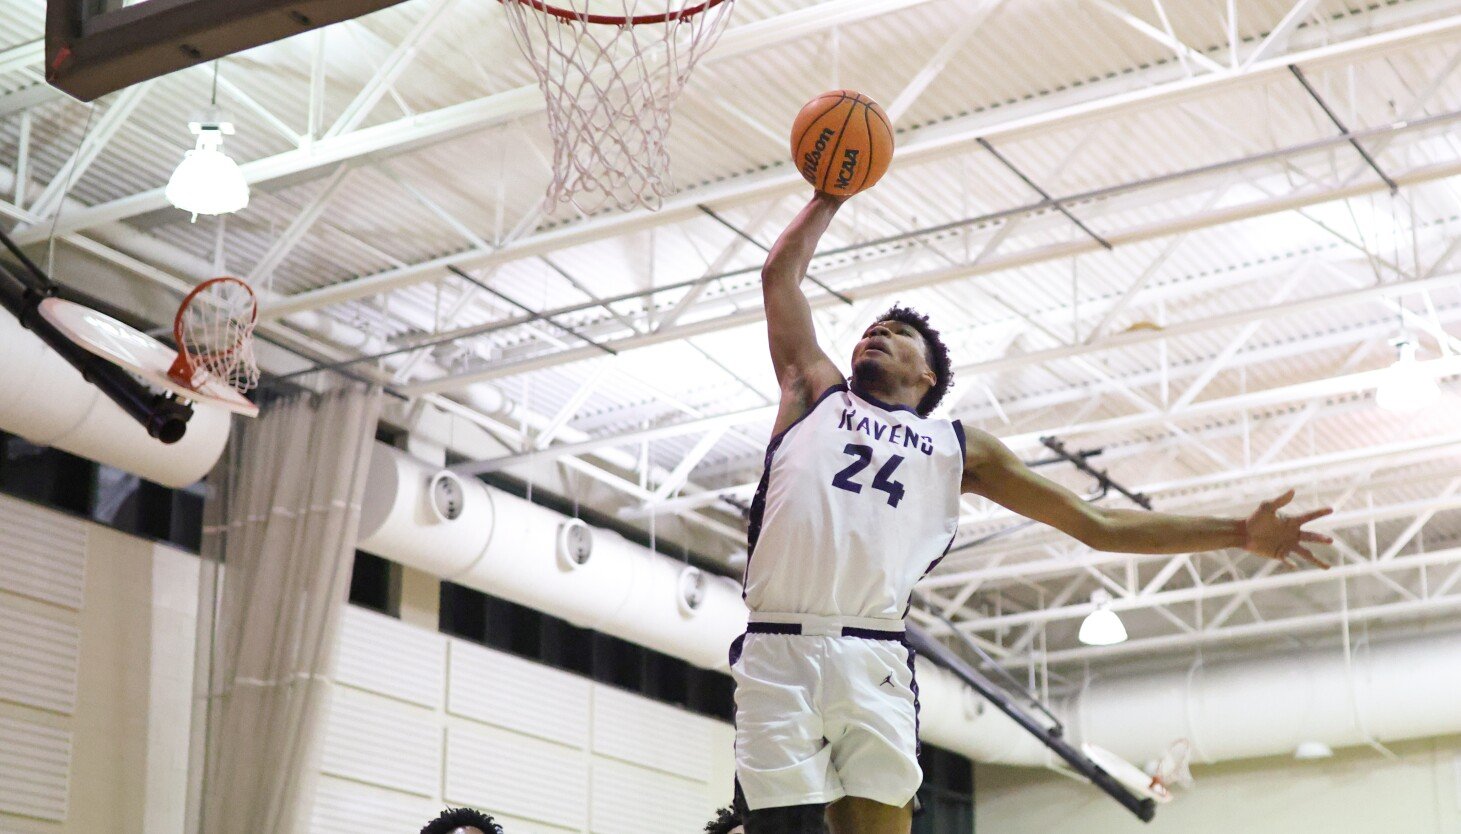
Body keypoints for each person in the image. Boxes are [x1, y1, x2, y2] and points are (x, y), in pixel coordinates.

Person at [732, 191, 1335, 834]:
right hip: (777, 645)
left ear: (929, 376)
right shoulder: (814, 392)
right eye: (872, 328)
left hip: (872, 649)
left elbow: (1096, 525)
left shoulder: (959, 449)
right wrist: (831, 195)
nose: (876, 332)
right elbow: (779, 277)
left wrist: (1239, 532)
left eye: (898, 332)